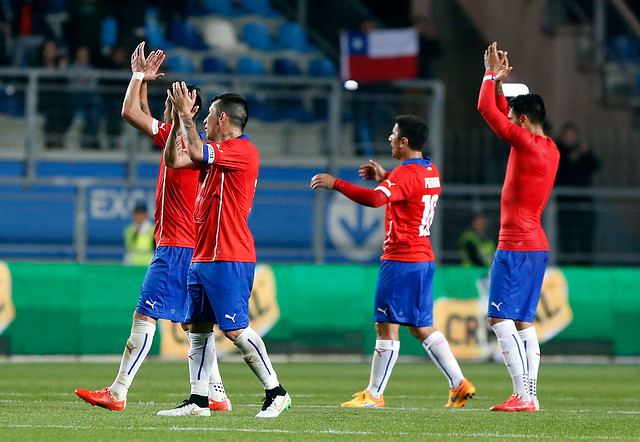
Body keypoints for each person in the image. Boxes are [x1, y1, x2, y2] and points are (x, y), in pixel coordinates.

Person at [75, 42, 231, 414]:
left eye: (175, 100)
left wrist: (178, 116)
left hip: (178, 245)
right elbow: (132, 111)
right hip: (185, 246)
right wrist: (139, 78)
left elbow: (175, 149)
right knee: (194, 327)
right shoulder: (175, 136)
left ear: (191, 109)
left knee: (145, 315)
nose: (167, 104)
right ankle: (217, 394)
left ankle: (118, 391)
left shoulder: (196, 148)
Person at [310, 114, 476, 409]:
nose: (389, 138)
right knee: (420, 326)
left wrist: (336, 183)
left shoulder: (404, 174)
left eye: (393, 134)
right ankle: (458, 383)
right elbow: (411, 190)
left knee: (386, 325)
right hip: (423, 259)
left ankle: (374, 394)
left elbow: (376, 201)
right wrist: (387, 177)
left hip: (400, 258)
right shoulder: (430, 170)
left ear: (404, 142)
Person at [161, 86, 291, 418]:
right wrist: (179, 118)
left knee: (234, 330)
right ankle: (199, 401)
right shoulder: (214, 153)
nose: (203, 122)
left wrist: (185, 115)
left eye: (207, 116)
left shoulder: (242, 151)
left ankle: (276, 392)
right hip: (203, 254)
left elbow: (194, 150)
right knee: (197, 328)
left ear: (222, 119)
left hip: (229, 253)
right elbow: (174, 157)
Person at [477, 42, 559, 412]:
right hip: (536, 244)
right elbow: (496, 110)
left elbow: (485, 110)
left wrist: (490, 74)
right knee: (524, 322)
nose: (507, 122)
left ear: (523, 120)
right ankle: (530, 396)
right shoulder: (550, 147)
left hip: (516, 243)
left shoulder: (525, 144)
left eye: (513, 117)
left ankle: (522, 395)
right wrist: (499, 84)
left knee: (498, 316)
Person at [554, 122, 600, 264]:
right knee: (566, 236)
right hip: (565, 203)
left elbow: (595, 166)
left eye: (572, 136)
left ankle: (586, 264)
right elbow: (556, 173)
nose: (570, 140)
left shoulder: (582, 151)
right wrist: (569, 159)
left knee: (585, 235)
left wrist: (586, 154)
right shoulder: (557, 151)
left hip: (584, 202)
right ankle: (566, 262)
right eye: (567, 136)